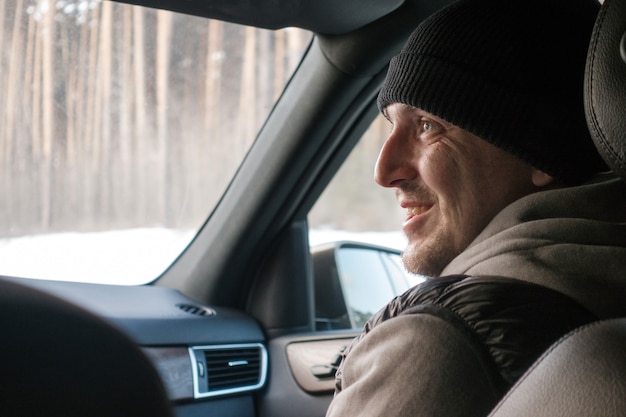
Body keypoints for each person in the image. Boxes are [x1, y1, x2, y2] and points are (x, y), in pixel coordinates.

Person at [326, 0, 626, 416]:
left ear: (541, 150)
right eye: (391, 126)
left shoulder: (444, 341)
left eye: (428, 126)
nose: (385, 171)